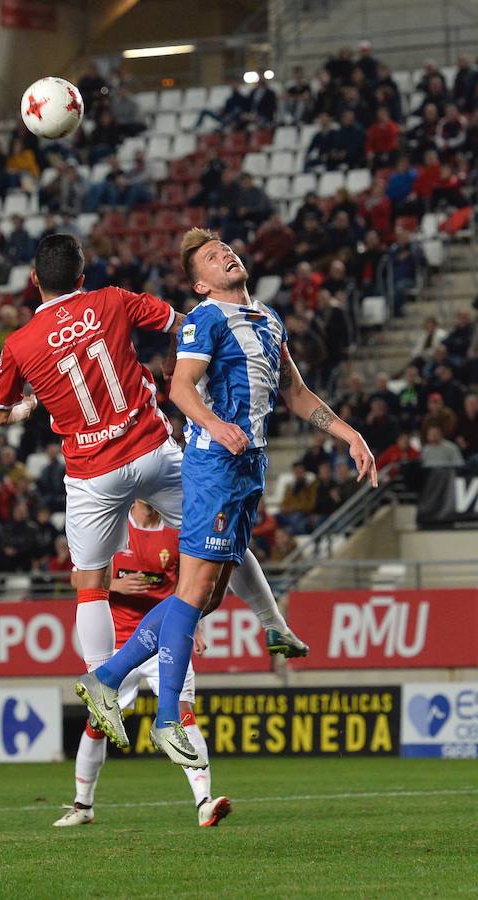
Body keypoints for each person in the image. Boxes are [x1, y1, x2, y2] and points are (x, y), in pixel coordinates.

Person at [0, 234, 309, 747]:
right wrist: (171, 365)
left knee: (90, 584)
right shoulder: (114, 300)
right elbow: (185, 327)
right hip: (151, 452)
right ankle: (271, 621)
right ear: (81, 276)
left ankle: (104, 692)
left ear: (34, 281)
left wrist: (32, 406)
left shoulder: (18, 345)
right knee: (220, 535)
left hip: (92, 473)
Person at [77, 228, 376, 765]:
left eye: (227, 250)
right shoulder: (203, 320)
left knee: (206, 598)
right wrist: (215, 426)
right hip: (214, 466)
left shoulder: (267, 318)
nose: (227, 256)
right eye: (214, 257)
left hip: (248, 469)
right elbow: (181, 387)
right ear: (199, 282)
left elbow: (295, 391)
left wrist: (349, 434)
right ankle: (166, 718)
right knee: (192, 595)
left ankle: (107, 678)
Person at [54, 501, 231, 829]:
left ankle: (204, 802)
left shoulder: (176, 530)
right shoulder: (114, 526)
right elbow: (77, 578)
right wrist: (115, 585)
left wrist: (197, 626)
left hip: (167, 639)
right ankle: (83, 805)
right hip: (119, 645)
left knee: (182, 713)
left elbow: (191, 587)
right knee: (97, 722)